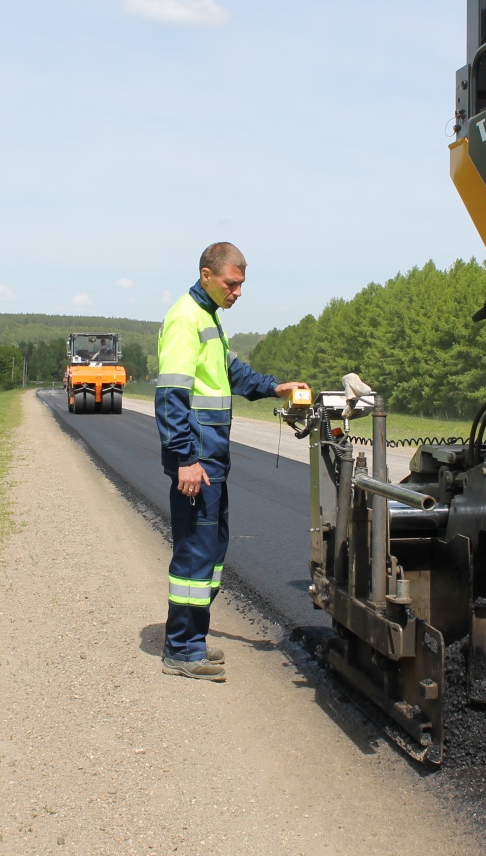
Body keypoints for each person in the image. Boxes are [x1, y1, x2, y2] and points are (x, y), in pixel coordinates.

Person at [154, 242, 306, 682]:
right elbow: (171, 397)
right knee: (195, 551)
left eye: (241, 284)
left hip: (211, 459)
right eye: (231, 283)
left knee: (212, 548)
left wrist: (274, 388)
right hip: (196, 460)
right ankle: (181, 650)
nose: (238, 291)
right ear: (207, 275)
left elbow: (232, 373)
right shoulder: (185, 318)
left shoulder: (209, 319)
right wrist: (185, 459)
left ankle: (192, 641)